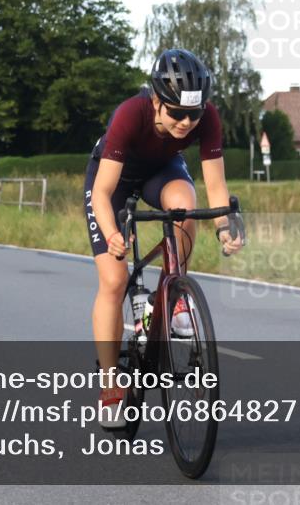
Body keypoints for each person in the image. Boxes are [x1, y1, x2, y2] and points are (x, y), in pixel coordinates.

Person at [85, 48, 243, 428]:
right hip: (113, 182)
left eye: (194, 113)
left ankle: (173, 297)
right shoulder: (130, 114)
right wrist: (111, 234)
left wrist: (225, 228)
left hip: (162, 171)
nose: (186, 123)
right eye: (176, 113)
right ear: (156, 101)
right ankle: (110, 387)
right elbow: (102, 195)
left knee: (185, 205)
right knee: (114, 279)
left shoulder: (207, 117)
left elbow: (216, 188)